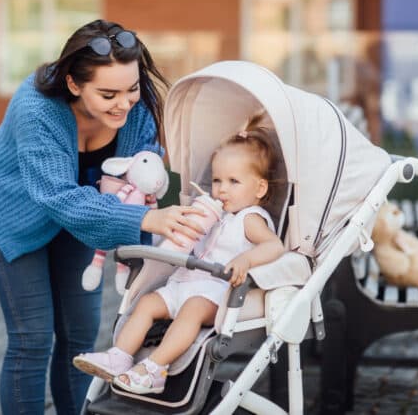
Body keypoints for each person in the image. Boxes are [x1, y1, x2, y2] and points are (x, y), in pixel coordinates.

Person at [0, 19, 205, 414]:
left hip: (87, 220)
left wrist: (140, 260)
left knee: (81, 338)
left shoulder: (139, 106)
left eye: (131, 88)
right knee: (31, 339)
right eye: (108, 93)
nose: (124, 103)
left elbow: (141, 188)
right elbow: (58, 196)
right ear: (73, 84)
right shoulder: (36, 107)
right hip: (15, 214)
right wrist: (145, 222)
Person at [73, 121, 285, 395]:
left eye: (234, 182)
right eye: (217, 180)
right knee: (148, 303)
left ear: (259, 189)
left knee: (192, 310)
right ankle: (120, 356)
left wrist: (245, 261)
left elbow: (274, 246)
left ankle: (154, 368)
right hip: (184, 281)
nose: (221, 189)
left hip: (216, 293)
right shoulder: (213, 212)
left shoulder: (250, 218)